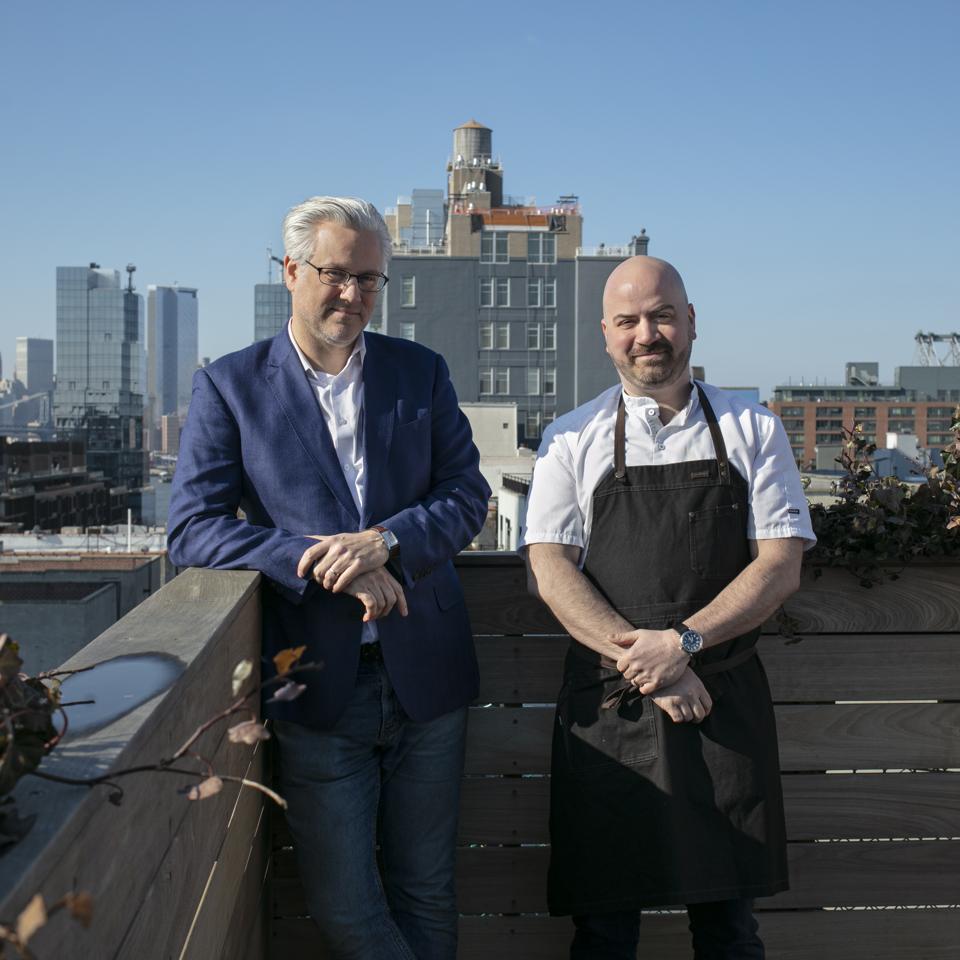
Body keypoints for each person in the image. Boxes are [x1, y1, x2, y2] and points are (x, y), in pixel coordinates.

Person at [167, 196, 490, 960]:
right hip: (316, 679)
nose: (353, 295)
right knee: (345, 907)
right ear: (290, 270)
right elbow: (191, 530)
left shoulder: (421, 372)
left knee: (427, 890)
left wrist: (384, 542)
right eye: (337, 274)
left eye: (370, 280)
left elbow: (467, 495)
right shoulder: (229, 387)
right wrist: (322, 560)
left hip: (427, 675)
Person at [521, 256, 815, 959]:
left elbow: (780, 565)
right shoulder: (570, 438)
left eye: (660, 316)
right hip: (610, 708)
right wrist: (652, 661)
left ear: (689, 322)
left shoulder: (754, 429)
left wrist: (683, 644)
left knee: (728, 928)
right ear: (605, 334)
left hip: (722, 701)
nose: (645, 334)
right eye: (628, 321)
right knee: (603, 928)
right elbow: (550, 570)